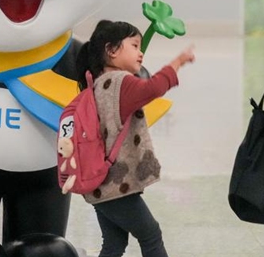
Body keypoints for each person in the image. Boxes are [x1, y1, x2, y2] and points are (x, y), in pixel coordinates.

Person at [75, 20, 195, 257]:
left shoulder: (97, 85)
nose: (140, 53)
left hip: (99, 184)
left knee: (113, 245)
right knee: (151, 235)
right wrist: (178, 62)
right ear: (111, 50)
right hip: (116, 186)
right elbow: (153, 88)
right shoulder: (120, 82)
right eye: (134, 45)